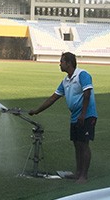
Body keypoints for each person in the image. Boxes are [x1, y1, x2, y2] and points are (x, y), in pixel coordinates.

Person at [29, 52, 97, 183]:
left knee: (84, 144)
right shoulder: (65, 81)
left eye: (62, 61)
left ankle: (84, 175)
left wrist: (83, 114)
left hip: (87, 115)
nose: (60, 64)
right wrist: (37, 110)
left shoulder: (82, 75)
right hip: (75, 117)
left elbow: (87, 93)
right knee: (77, 144)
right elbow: (53, 98)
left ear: (69, 63)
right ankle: (78, 173)